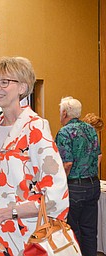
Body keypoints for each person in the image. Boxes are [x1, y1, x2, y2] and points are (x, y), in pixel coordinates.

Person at [0, 57, 69, 255]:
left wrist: (4, 213)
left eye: (4, 82)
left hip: (25, 239)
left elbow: (56, 198)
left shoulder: (35, 127)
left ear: (22, 87)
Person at [55, 96, 101, 256]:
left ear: (65, 113)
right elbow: (98, 156)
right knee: (89, 231)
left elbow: (67, 163)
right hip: (93, 184)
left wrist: (59, 185)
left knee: (73, 232)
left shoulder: (65, 132)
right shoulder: (90, 129)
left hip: (75, 187)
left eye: (60, 112)